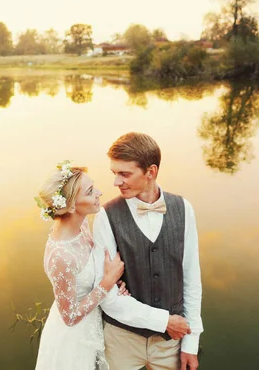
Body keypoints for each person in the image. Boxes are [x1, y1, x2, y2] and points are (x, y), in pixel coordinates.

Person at [35, 161, 187, 370]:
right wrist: (106, 284)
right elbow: (69, 317)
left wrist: (115, 285)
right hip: (75, 339)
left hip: (95, 322)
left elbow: (95, 270)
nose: (99, 193)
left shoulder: (81, 228)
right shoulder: (60, 255)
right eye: (90, 192)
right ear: (70, 205)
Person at [94, 132, 203, 370]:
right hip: (121, 340)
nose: (116, 182)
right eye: (114, 173)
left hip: (171, 342)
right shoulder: (105, 216)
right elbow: (108, 294)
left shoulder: (184, 209)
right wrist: (165, 321)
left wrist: (190, 343)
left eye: (125, 174)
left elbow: (191, 278)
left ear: (150, 172)